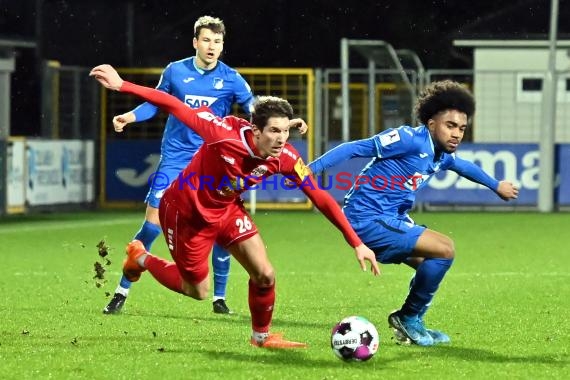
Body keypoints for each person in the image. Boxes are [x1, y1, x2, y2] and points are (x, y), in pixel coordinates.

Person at [90, 63, 380, 348]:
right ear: (255, 130)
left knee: (265, 275)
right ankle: (139, 257)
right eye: (274, 131)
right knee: (197, 291)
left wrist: (356, 242)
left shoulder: (286, 157)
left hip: (227, 209)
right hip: (185, 212)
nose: (281, 139)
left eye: (285, 131)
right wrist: (122, 86)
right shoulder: (222, 133)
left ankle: (261, 338)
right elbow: (173, 104)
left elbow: (321, 197)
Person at [307, 80, 519, 346]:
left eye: (462, 128)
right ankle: (408, 318)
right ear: (431, 124)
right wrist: (309, 171)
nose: (457, 134)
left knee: (429, 265)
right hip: (367, 218)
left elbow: (463, 166)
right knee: (445, 248)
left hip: (389, 218)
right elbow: (354, 148)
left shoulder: (441, 154)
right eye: (450, 126)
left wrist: (496, 185)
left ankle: (409, 324)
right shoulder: (409, 139)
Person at [104, 16, 255, 315]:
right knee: (151, 226)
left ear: (222, 45)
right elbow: (157, 102)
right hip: (175, 161)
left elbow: (255, 109)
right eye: (207, 40)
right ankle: (121, 290)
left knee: (220, 228)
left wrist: (282, 122)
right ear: (195, 42)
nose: (212, 47)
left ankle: (219, 299)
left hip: (212, 165)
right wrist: (130, 117)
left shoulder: (232, 78)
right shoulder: (176, 71)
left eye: (218, 42)